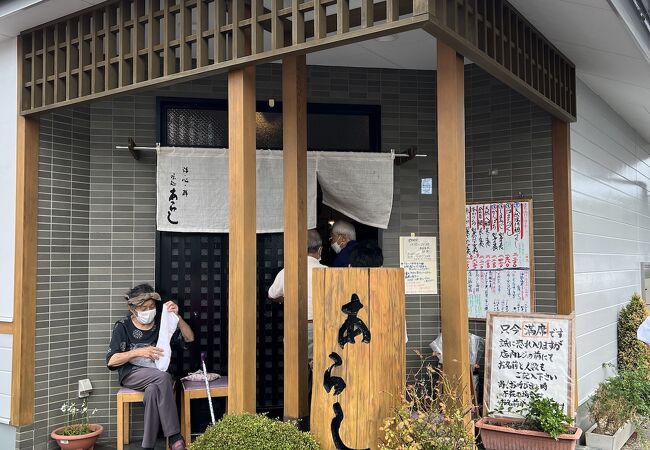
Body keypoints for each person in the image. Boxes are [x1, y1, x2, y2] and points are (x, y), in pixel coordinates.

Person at [106, 283, 194, 450]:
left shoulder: (161, 323)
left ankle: (147, 446)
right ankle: (175, 437)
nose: (148, 311)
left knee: (153, 389)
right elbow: (112, 360)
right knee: (163, 378)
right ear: (133, 310)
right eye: (144, 308)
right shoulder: (123, 326)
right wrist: (138, 352)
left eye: (151, 307)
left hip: (157, 376)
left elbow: (189, 338)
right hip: (133, 374)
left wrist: (178, 317)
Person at [268, 229, 327, 362]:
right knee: (320, 369)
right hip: (321, 327)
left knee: (295, 371)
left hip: (294, 327)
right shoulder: (327, 272)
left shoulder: (287, 271)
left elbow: (272, 295)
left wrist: (285, 299)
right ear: (320, 250)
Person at [349, 240, 408, 344]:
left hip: (350, 354)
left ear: (350, 267)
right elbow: (402, 339)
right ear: (381, 268)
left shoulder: (339, 294)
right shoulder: (392, 297)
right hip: (384, 354)